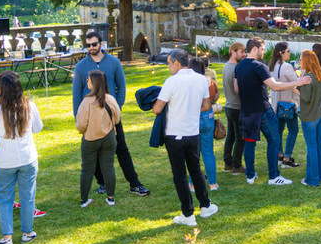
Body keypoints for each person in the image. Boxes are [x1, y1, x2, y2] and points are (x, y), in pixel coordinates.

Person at [71, 31, 150, 197]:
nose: (91, 48)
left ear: (101, 44)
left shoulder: (114, 62)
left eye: (94, 44)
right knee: (94, 152)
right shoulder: (81, 67)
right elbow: (76, 94)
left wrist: (117, 109)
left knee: (122, 149)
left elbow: (122, 87)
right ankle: (102, 183)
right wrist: (79, 116)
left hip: (111, 115)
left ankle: (135, 184)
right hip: (91, 117)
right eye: (88, 45)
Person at [153, 49, 219, 226]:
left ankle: (188, 213)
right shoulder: (201, 79)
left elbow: (157, 109)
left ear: (176, 63)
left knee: (180, 174)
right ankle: (205, 205)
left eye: (168, 63)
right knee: (196, 170)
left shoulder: (171, 81)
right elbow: (206, 105)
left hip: (175, 133)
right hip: (193, 132)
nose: (168, 67)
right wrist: (191, 110)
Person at [234, 37, 311, 186]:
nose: (264, 52)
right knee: (274, 140)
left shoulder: (239, 66)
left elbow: (237, 89)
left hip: (247, 110)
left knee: (249, 143)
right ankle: (274, 176)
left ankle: (250, 175)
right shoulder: (258, 66)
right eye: (262, 49)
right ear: (255, 49)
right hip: (262, 110)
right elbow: (274, 86)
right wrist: (298, 82)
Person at [0, 71, 42, 244]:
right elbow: (38, 128)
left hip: (5, 160)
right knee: (28, 196)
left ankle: (7, 238)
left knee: (5, 199)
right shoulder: (29, 106)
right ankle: (27, 232)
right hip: (27, 158)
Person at [75, 69, 122, 208]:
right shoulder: (110, 99)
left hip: (90, 138)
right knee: (108, 167)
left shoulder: (87, 102)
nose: (87, 81)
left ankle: (84, 200)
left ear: (94, 82)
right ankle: (111, 198)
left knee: (87, 169)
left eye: (88, 79)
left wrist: (83, 131)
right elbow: (117, 119)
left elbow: (80, 124)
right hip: (109, 137)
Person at [297, 50, 321, 186]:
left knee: (312, 148)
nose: (299, 61)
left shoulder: (308, 78)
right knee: (319, 144)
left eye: (301, 59)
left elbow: (306, 97)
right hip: (320, 113)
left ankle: (312, 179)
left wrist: (294, 87)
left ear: (306, 61)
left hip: (310, 116)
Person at [269, 42, 301, 168]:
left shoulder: (273, 65)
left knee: (279, 131)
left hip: (276, 103)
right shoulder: (287, 67)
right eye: (288, 51)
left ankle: (279, 155)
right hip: (288, 103)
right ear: (281, 52)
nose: (290, 53)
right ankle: (287, 158)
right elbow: (296, 82)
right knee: (293, 130)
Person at [190, 56, 219, 190]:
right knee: (208, 152)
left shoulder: (189, 83)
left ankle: (192, 184)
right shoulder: (209, 81)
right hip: (208, 116)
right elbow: (216, 96)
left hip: (194, 116)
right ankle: (212, 183)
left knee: (193, 153)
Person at [221, 42, 245, 175]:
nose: (244, 55)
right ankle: (236, 165)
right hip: (236, 107)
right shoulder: (236, 68)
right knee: (240, 137)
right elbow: (238, 89)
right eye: (241, 52)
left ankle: (228, 163)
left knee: (231, 136)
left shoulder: (226, 66)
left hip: (229, 106)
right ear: (233, 52)